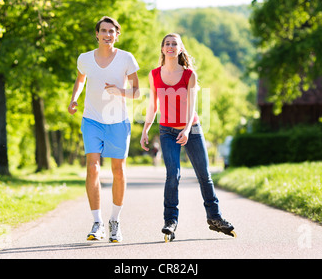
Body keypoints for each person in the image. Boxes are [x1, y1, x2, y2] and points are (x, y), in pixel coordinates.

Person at [140, 33, 235, 238]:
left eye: (175, 44)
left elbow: (192, 106)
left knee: (204, 175)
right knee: (172, 175)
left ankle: (215, 217)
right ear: (163, 49)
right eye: (167, 44)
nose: (171, 47)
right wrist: (146, 128)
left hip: (191, 128)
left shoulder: (189, 74)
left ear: (181, 48)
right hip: (166, 130)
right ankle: (170, 221)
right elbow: (152, 104)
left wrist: (185, 128)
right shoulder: (154, 74)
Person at [68, 16, 140, 243]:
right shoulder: (85, 59)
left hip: (118, 121)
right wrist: (74, 99)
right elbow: (80, 80)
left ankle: (115, 221)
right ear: (97, 34)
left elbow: (137, 92)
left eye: (112, 31)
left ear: (117, 35)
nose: (108, 35)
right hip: (92, 120)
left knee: (118, 171)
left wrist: (120, 90)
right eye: (104, 31)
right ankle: (97, 222)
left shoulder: (126, 58)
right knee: (93, 168)